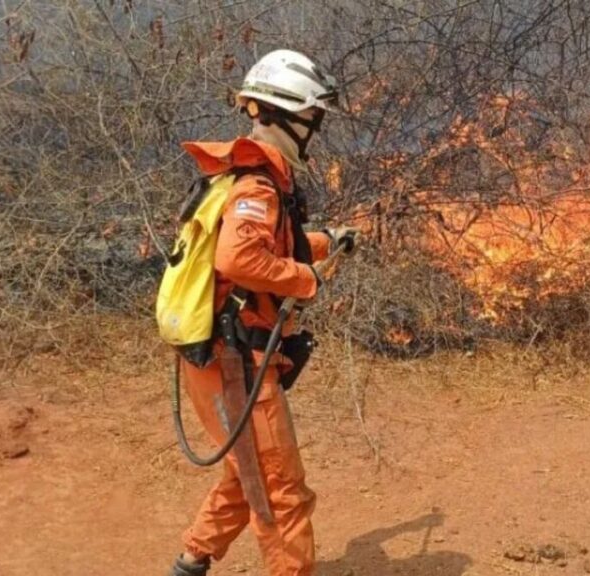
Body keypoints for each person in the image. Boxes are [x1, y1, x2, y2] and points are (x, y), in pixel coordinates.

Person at [169, 49, 356, 576]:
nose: (314, 129)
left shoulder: (242, 175)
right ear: (286, 115)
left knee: (245, 468)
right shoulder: (257, 184)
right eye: (312, 119)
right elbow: (239, 258)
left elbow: (270, 245)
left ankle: (191, 560)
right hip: (236, 363)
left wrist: (326, 243)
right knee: (280, 489)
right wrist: (307, 279)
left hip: (215, 357)